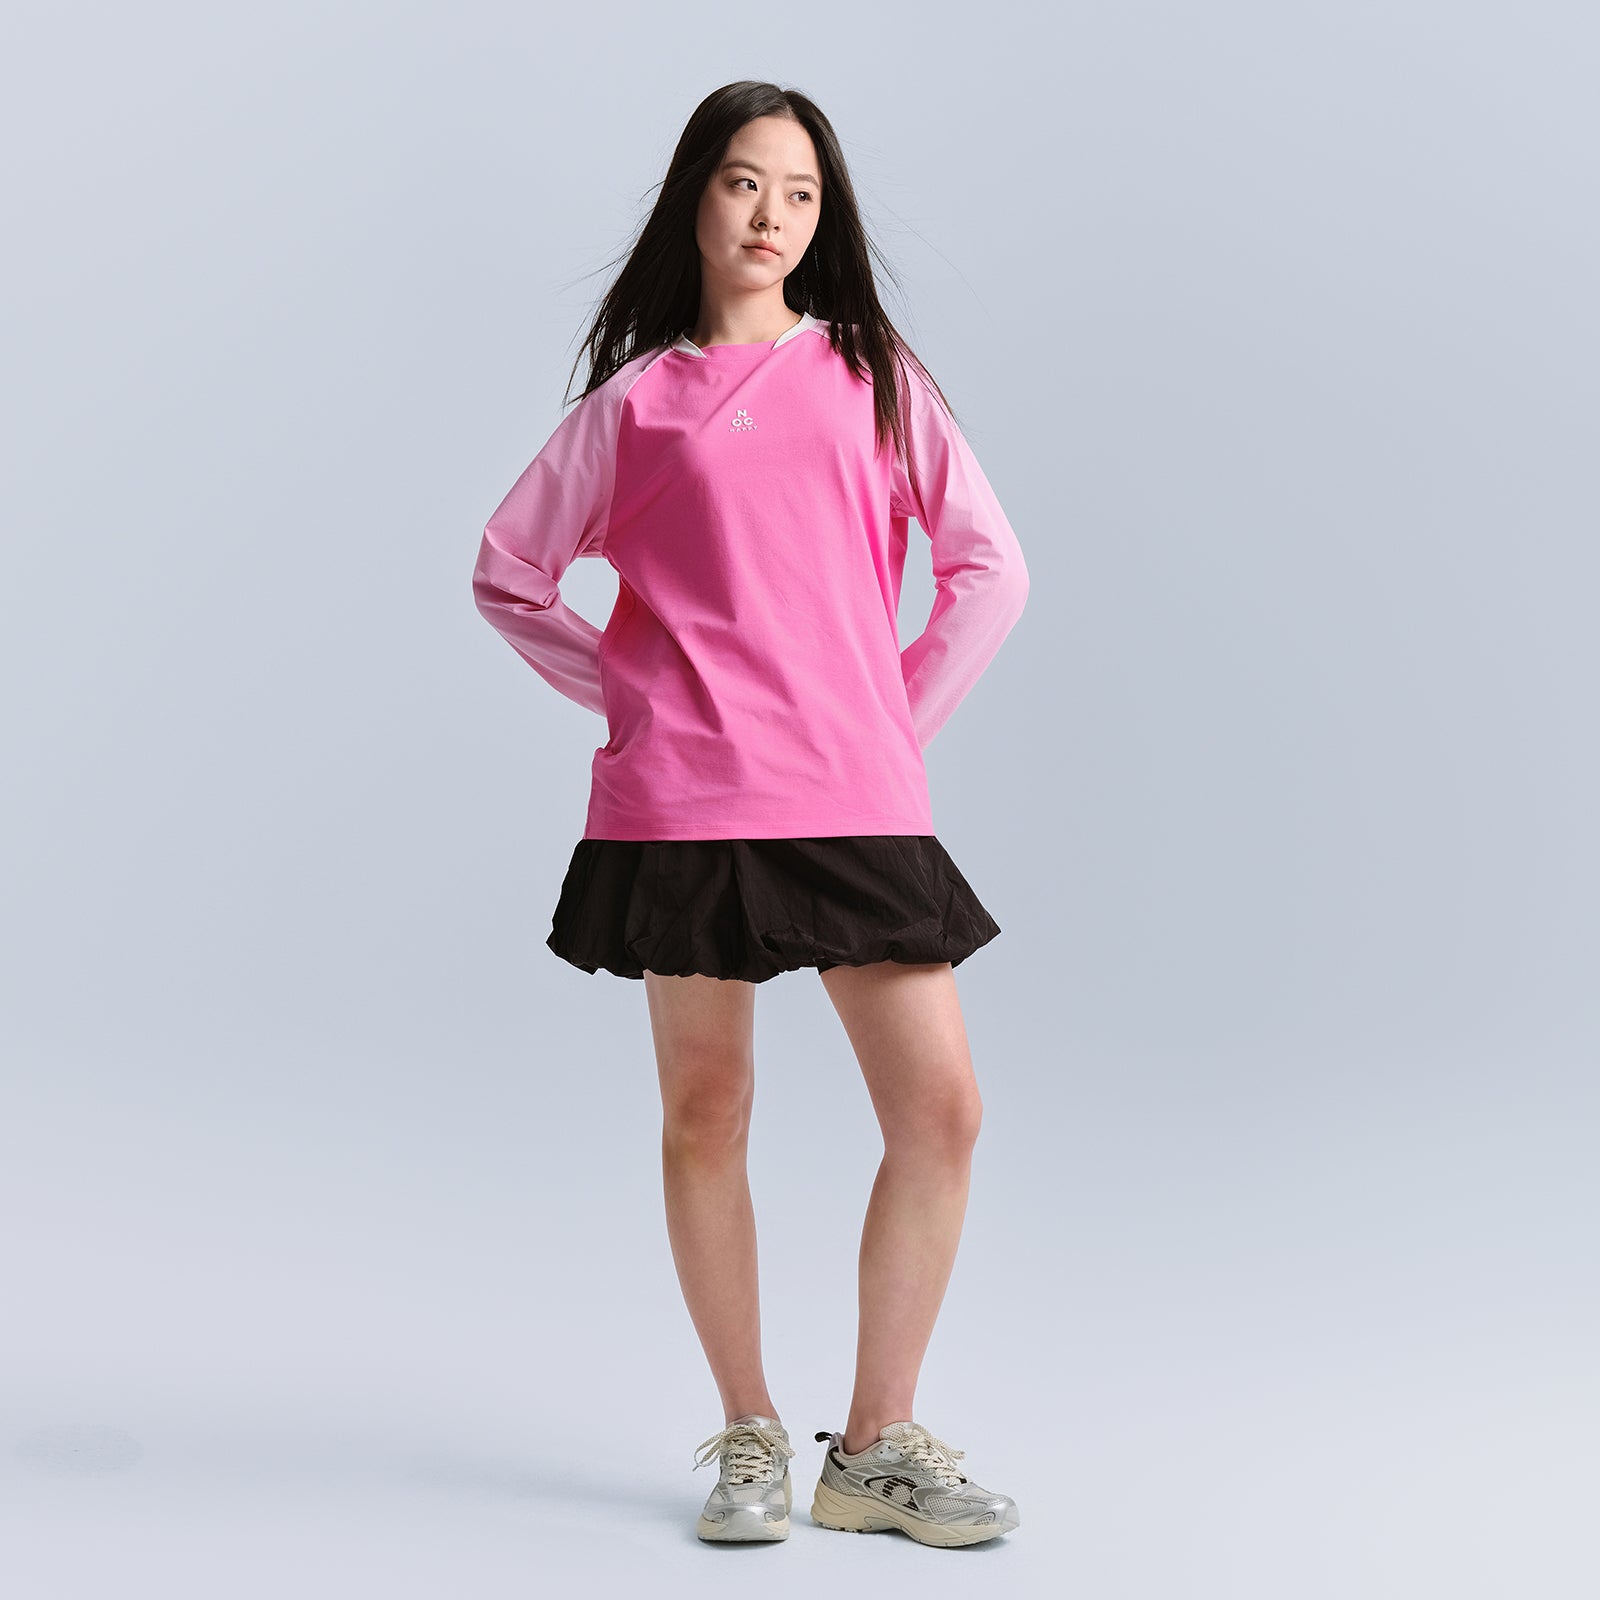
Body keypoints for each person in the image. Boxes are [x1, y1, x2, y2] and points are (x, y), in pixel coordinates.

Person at [470, 80, 1028, 1549]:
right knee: (707, 1110)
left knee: (942, 1112)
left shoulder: (875, 375)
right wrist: (636, 696)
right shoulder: (631, 406)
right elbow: (510, 572)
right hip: (683, 805)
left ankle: (876, 1446)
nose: (771, 214)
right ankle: (751, 1433)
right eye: (741, 181)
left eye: (799, 191)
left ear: (822, 218)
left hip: (852, 797)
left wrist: (885, 720)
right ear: (695, 201)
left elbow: (990, 568)